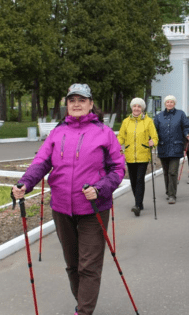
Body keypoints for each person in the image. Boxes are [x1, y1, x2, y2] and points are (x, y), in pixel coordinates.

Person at [12, 83, 125, 315]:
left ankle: (84, 311)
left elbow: (118, 169)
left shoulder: (104, 133)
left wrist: (100, 188)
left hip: (94, 208)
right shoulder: (58, 132)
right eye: (72, 100)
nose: (76, 104)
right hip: (62, 208)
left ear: (91, 104)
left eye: (81, 100)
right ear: (67, 104)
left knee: (89, 266)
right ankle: (82, 302)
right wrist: (25, 183)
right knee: (73, 265)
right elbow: (42, 162)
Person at [117, 97, 159, 216]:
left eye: (139, 106)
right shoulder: (126, 121)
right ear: (131, 108)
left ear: (142, 108)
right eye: (134, 106)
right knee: (133, 181)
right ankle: (139, 202)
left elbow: (155, 137)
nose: (136, 108)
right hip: (130, 155)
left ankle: (137, 205)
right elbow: (121, 136)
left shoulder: (148, 121)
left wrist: (153, 142)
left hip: (143, 154)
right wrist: (115, 144)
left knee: (140, 180)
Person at [154, 95, 189, 204]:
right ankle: (168, 191)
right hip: (163, 147)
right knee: (166, 172)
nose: (169, 104)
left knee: (172, 172)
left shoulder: (180, 114)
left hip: (176, 147)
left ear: (174, 103)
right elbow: (154, 130)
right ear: (165, 104)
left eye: (171, 102)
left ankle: (172, 195)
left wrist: (187, 134)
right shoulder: (159, 116)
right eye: (167, 102)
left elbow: (186, 126)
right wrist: (151, 139)